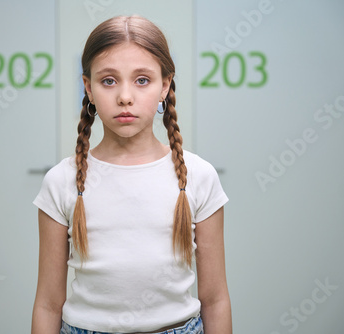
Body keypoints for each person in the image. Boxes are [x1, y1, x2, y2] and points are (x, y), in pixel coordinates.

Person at [31, 15, 232, 334]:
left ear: (165, 85)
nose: (125, 96)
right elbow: (48, 303)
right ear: (89, 87)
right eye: (109, 80)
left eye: (142, 80)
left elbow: (215, 298)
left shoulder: (198, 176)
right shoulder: (61, 181)